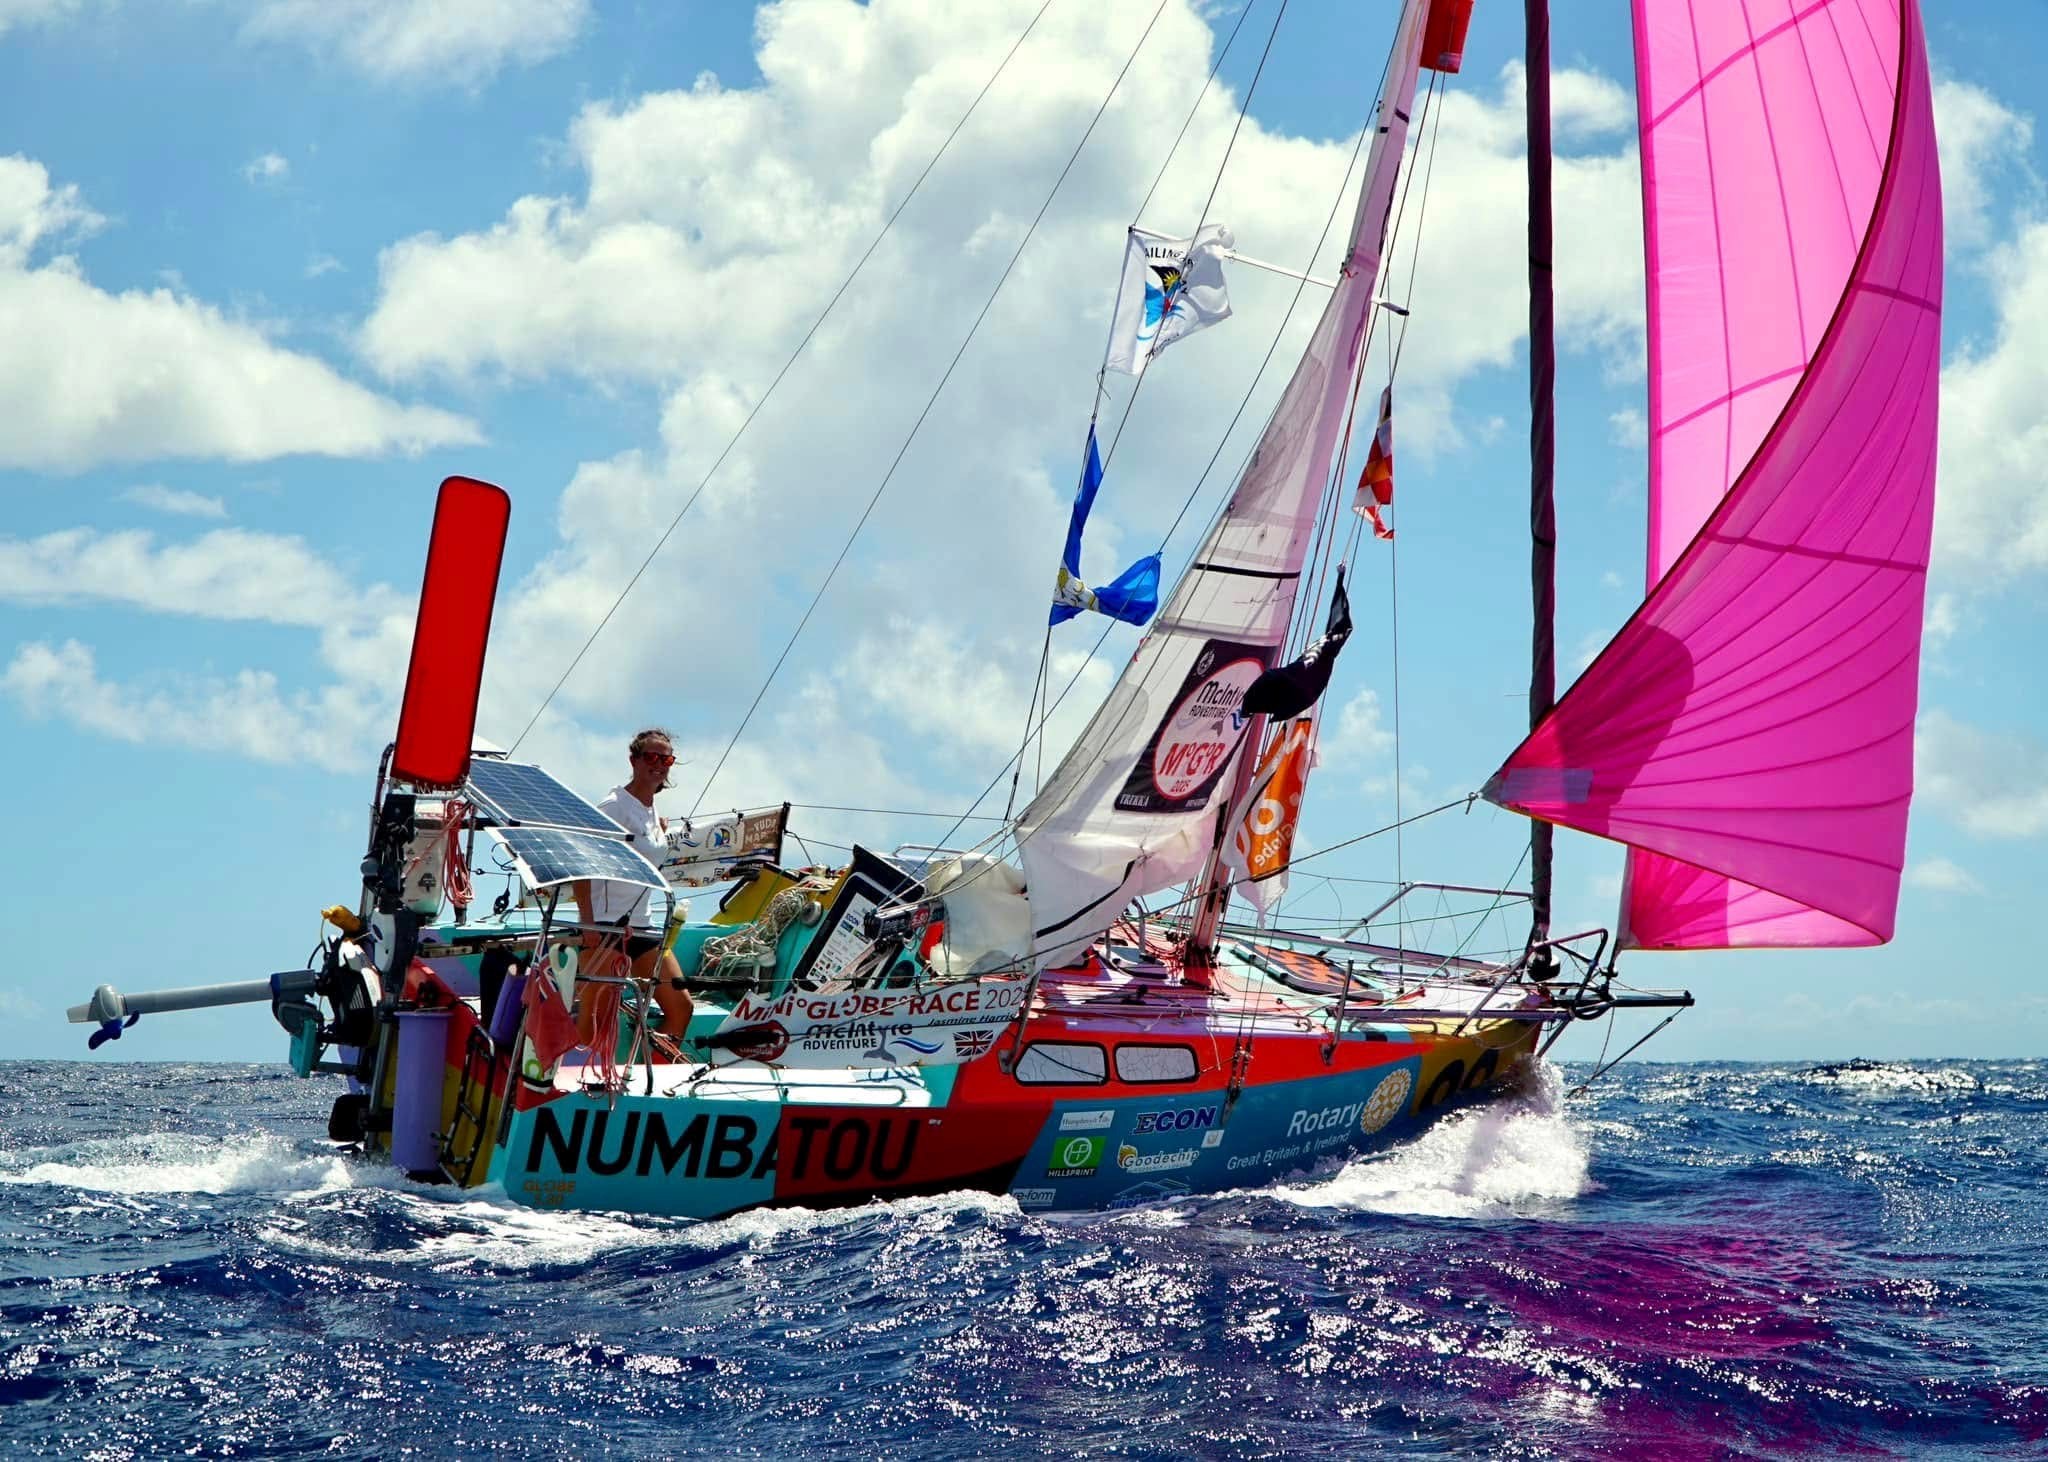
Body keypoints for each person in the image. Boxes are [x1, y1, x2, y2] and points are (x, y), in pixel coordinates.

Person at [574, 728, 695, 1051]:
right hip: (605, 925)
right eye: (651, 757)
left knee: (681, 1007)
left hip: (643, 925)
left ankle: (646, 1077)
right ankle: (583, 1084)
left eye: (666, 758)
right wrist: (588, 925)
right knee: (596, 1017)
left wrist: (660, 831)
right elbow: (582, 866)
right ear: (635, 760)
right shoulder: (614, 807)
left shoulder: (652, 811)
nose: (659, 764)